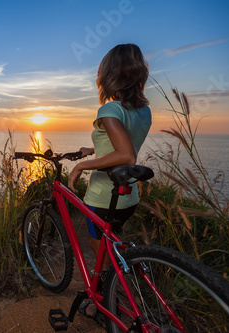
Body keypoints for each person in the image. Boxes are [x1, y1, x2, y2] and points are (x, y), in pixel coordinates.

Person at [67, 43, 151, 324]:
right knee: (113, 248)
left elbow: (126, 154)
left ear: (111, 74)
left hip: (103, 197)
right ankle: (124, 290)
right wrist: (93, 150)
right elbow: (124, 143)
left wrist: (82, 165)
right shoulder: (142, 111)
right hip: (129, 199)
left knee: (101, 255)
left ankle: (103, 305)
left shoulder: (110, 110)